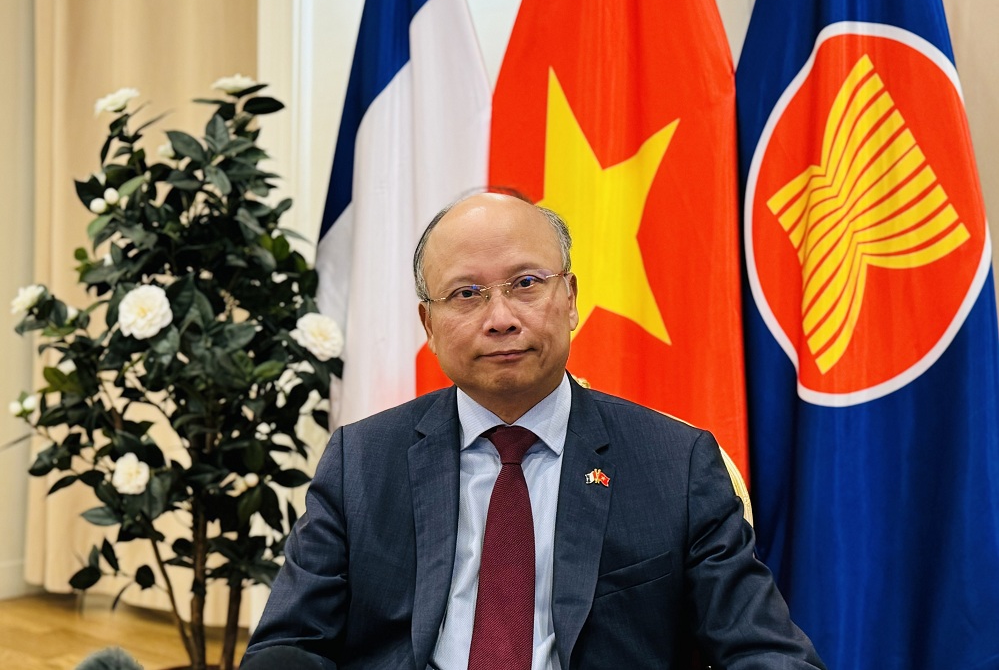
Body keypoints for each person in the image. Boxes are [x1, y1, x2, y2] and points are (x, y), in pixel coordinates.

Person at [241, 193, 826, 670]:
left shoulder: (675, 463)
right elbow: (290, 645)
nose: (501, 318)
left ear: (569, 299)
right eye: (466, 294)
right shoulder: (362, 461)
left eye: (526, 283)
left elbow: (762, 649)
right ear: (429, 325)